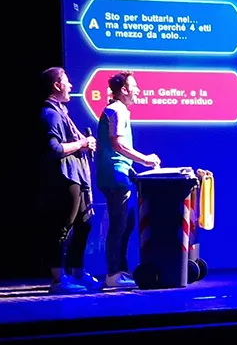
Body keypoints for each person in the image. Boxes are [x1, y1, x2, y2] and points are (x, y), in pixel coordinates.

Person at [38, 67, 102, 294]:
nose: (71, 86)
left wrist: (84, 143)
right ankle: (57, 280)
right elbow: (54, 148)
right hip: (65, 177)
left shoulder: (62, 112)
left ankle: (77, 272)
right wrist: (81, 144)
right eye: (66, 81)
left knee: (85, 223)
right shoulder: (51, 114)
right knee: (62, 228)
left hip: (76, 175)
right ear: (57, 85)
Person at [96, 71, 161, 288]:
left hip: (120, 173)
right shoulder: (117, 110)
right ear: (123, 90)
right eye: (134, 86)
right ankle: (113, 274)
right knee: (119, 225)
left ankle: (121, 271)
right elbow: (118, 145)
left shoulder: (118, 110)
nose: (138, 90)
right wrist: (145, 159)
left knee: (126, 223)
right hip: (115, 175)